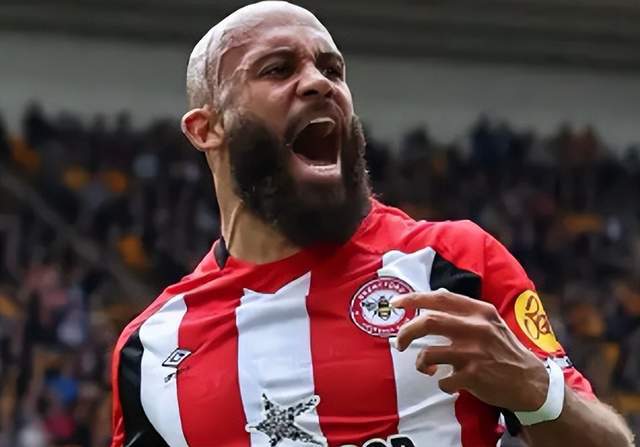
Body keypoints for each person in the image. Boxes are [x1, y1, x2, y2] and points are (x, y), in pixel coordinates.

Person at [110, 2, 634, 446]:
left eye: (332, 70)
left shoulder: (451, 264)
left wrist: (535, 391)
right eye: (277, 69)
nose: (318, 83)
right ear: (207, 129)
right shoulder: (151, 347)